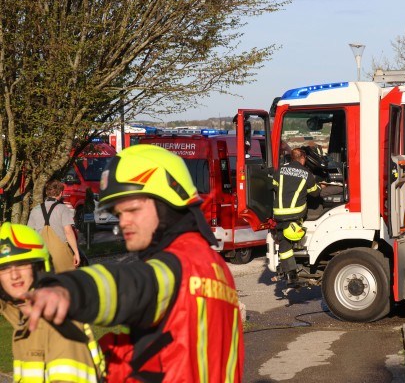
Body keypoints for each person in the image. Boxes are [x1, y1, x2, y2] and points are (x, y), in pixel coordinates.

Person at [22, 144, 244, 382]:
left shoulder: (181, 264)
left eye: (132, 209)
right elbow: (175, 350)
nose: (123, 222)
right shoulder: (211, 264)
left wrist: (70, 291)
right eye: (119, 213)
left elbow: (131, 285)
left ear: (167, 204)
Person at [0, 222, 104, 382]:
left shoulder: (56, 319)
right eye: (4, 268)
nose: (14, 276)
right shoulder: (24, 322)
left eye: (21, 265)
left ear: (40, 267)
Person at [272, 147, 321, 287]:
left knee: (284, 243)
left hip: (279, 214)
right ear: (302, 158)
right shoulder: (306, 173)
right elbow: (315, 193)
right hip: (295, 215)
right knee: (286, 242)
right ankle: (291, 274)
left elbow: (274, 186)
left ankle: (290, 273)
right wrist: (320, 186)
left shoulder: (280, 170)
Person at [28, 179, 80, 272]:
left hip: (42, 254)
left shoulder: (35, 210)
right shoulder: (62, 209)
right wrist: (76, 252)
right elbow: (68, 232)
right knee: (66, 281)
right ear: (61, 193)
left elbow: (30, 234)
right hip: (61, 254)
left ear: (47, 192)